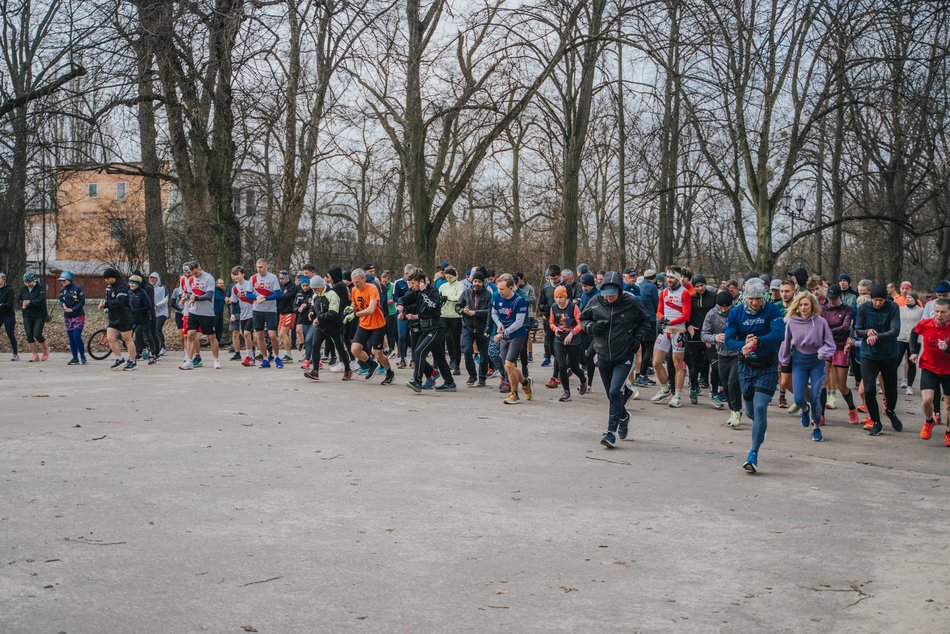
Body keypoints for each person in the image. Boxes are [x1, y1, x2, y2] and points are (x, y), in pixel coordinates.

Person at [581, 271, 653, 447]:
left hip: (624, 355)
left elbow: (646, 320)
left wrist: (638, 339)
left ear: (619, 291)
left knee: (614, 393)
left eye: (612, 295)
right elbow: (583, 319)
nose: (608, 299)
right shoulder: (596, 302)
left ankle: (610, 434)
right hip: (604, 354)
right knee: (611, 394)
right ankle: (624, 415)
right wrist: (591, 327)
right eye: (606, 295)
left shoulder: (631, 303)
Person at [724, 278, 785, 474]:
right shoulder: (736, 313)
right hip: (746, 366)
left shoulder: (772, 310)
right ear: (745, 297)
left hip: (767, 365)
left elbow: (779, 334)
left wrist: (758, 341)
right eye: (751, 299)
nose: (755, 303)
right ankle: (760, 429)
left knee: (760, 408)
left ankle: (753, 453)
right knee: (750, 412)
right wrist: (742, 345)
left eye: (758, 299)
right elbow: (728, 340)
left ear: (764, 297)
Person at [779, 291, 836, 442]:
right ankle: (805, 409)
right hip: (799, 362)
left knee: (816, 397)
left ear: (812, 306)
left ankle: (816, 427)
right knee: (798, 398)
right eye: (801, 305)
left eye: (806, 304)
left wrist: (823, 351)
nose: (803, 307)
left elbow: (830, 343)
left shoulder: (820, 322)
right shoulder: (792, 322)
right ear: (797, 307)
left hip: (817, 362)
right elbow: (786, 341)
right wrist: (784, 359)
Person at [855, 284, 903, 436]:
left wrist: (878, 336)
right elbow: (858, 330)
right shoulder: (864, 308)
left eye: (880, 300)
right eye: (875, 300)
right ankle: (876, 421)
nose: (877, 303)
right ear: (871, 299)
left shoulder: (893, 307)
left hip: (888, 354)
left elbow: (895, 331)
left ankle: (890, 411)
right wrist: (867, 332)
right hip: (868, 354)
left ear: (885, 299)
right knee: (869, 389)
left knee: (890, 390)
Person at [401, 270, 455, 392]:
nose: (412, 286)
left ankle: (417, 381)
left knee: (419, 352)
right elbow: (404, 299)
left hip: (436, 328)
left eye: (414, 283)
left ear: (421, 282)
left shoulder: (432, 292)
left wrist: (424, 291)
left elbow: (433, 306)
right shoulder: (416, 293)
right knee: (438, 357)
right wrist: (401, 307)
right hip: (425, 329)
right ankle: (449, 382)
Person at [651, 266, 692, 407]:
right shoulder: (663, 293)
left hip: (678, 332)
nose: (668, 280)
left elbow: (686, 315)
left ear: (678, 278)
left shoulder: (684, 293)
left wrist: (670, 322)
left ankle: (678, 395)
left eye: (671, 278)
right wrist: (662, 318)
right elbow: (659, 311)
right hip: (665, 331)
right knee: (656, 362)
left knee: (677, 364)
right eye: (667, 277)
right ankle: (665, 389)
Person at [910, 298, 950, 444]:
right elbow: (913, 334)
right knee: (927, 400)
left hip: (948, 370)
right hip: (929, 366)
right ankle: (929, 421)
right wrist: (914, 351)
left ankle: (948, 432)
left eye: (943, 312)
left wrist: (947, 348)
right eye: (936, 311)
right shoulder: (925, 324)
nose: (939, 315)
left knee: (948, 405)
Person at [348, 268, 395, 384]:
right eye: (354, 282)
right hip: (364, 324)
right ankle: (372, 365)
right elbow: (355, 304)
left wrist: (355, 314)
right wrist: (350, 308)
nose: (356, 284)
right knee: (355, 349)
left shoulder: (372, 288)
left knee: (377, 353)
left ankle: (389, 372)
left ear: (364, 279)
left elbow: (371, 309)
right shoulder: (354, 290)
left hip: (377, 325)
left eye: (358, 282)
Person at [702, 291, 742, 427]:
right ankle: (732, 409)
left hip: (737, 353)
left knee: (733, 382)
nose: (724, 310)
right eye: (721, 307)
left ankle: (737, 411)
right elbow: (704, 334)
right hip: (721, 354)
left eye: (727, 307)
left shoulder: (737, 312)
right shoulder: (711, 314)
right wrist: (715, 337)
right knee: (725, 385)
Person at [492, 273, 532, 405]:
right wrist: (499, 324)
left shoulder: (519, 301)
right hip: (504, 334)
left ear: (510, 288)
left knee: (509, 365)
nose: (499, 291)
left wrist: (503, 334)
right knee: (509, 367)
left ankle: (514, 394)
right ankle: (525, 383)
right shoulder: (497, 297)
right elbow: (494, 312)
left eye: (502, 288)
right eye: (498, 288)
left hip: (517, 335)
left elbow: (519, 323)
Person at [304, 276, 352, 381]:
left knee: (339, 347)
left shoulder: (332, 294)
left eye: (315, 288)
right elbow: (313, 305)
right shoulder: (316, 294)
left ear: (321, 286)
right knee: (315, 345)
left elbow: (333, 312)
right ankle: (315, 371)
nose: (313, 290)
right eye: (313, 289)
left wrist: (319, 318)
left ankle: (348, 370)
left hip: (334, 326)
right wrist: (311, 312)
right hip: (321, 326)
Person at [822, 287, 859, 424]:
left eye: (834, 298)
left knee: (841, 386)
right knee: (823, 383)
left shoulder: (847, 309)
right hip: (825, 347)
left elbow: (845, 327)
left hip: (841, 347)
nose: (831, 301)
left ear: (840, 297)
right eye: (829, 298)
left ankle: (851, 408)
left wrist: (826, 331)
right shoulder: (823, 309)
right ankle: (821, 415)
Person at [179, 262, 221, 370]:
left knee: (211, 336)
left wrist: (196, 298)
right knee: (190, 335)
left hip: (206, 312)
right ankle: (189, 361)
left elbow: (209, 295)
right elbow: (188, 293)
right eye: (192, 273)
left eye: (196, 273)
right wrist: (187, 297)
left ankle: (216, 360)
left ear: (199, 268)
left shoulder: (209, 278)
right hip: (194, 311)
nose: (194, 275)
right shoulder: (191, 279)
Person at [549, 285, 587, 401]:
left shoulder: (573, 307)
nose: (558, 300)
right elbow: (551, 322)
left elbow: (580, 324)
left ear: (565, 297)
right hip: (560, 338)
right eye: (556, 297)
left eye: (561, 297)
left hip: (573, 339)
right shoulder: (554, 307)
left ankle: (583, 379)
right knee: (561, 366)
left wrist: (572, 333)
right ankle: (566, 392)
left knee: (574, 367)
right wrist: (556, 329)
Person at [457, 270, 492, 387]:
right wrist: (463, 311)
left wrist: (475, 313)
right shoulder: (466, 293)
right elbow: (457, 306)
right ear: (472, 281)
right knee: (467, 351)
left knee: (483, 356)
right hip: (468, 327)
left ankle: (482, 378)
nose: (477, 283)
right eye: (475, 281)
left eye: (479, 282)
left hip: (482, 328)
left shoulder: (488, 295)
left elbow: (490, 311)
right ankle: (472, 376)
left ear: (483, 283)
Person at [98, 268, 137, 370]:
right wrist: (104, 304)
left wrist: (106, 304)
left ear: (114, 277)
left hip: (124, 317)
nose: (106, 280)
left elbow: (119, 302)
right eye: (105, 279)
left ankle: (132, 361)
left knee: (127, 339)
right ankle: (119, 359)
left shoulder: (122, 287)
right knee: (110, 338)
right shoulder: (108, 287)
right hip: (113, 317)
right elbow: (107, 299)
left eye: (108, 278)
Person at [246, 259, 283, 368]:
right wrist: (256, 297)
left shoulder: (272, 277)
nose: (259, 269)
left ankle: (276, 357)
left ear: (266, 267)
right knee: (259, 336)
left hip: (270, 310)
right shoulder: (253, 278)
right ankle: (265, 359)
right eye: (257, 267)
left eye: (261, 267)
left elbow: (278, 293)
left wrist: (266, 298)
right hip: (257, 310)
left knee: (272, 335)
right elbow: (248, 294)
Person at [686, 274, 717, 404]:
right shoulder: (690, 298)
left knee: (715, 366)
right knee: (695, 367)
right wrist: (688, 325)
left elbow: (717, 315)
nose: (700, 288)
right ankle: (693, 387)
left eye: (702, 285)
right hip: (695, 336)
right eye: (697, 286)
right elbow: (685, 314)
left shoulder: (713, 297)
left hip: (709, 336)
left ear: (705, 284)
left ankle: (715, 392)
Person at [636, 269, 660, 386]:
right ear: (654, 278)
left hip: (640, 319)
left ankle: (639, 374)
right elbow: (657, 303)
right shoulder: (652, 287)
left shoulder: (639, 285)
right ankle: (642, 375)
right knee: (649, 348)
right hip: (650, 319)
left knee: (642, 348)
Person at [228, 266, 256, 366]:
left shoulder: (250, 284)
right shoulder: (234, 288)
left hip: (253, 312)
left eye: (237, 274)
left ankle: (250, 357)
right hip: (243, 315)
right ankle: (252, 356)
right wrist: (231, 312)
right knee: (246, 335)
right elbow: (234, 301)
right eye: (234, 275)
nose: (235, 277)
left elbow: (257, 296)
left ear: (243, 274)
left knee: (247, 334)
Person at [129, 274, 159, 365]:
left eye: (134, 283)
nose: (131, 285)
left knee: (148, 336)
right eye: (130, 282)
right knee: (135, 334)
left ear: (138, 284)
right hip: (135, 319)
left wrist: (137, 310)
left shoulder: (142, 292)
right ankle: (137, 353)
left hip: (144, 318)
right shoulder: (131, 293)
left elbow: (148, 306)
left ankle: (153, 355)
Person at [18, 272, 48, 362]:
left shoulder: (40, 287)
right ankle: (35, 355)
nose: (27, 284)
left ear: (33, 280)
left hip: (39, 314)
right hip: (27, 315)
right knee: (29, 335)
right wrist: (22, 302)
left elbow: (41, 300)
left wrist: (29, 302)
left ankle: (46, 349)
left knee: (37, 334)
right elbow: (19, 299)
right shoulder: (23, 288)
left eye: (29, 282)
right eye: (26, 282)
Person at [58, 271, 87, 365]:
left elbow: (82, 301)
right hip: (67, 317)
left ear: (69, 279)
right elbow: (61, 300)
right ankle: (75, 358)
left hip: (78, 316)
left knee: (76, 336)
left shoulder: (77, 288)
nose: (62, 282)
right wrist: (63, 305)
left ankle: (82, 356)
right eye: (61, 280)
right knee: (71, 337)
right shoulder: (62, 290)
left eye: (64, 280)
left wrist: (73, 309)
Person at [440, 267, 465, 374]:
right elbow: (438, 296)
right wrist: (441, 298)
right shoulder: (443, 286)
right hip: (444, 315)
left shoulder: (460, 286)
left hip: (456, 316)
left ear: (455, 276)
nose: (448, 279)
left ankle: (457, 365)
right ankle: (447, 360)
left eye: (450, 277)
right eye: (446, 277)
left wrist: (446, 297)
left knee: (455, 340)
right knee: (444, 338)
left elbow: (458, 297)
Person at [898, 293, 924, 395]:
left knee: (911, 364)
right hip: (900, 338)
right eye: (907, 298)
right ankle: (887, 385)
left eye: (910, 298)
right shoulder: (901, 309)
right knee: (895, 361)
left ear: (916, 299)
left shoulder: (921, 311)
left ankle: (909, 386)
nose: (908, 299)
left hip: (914, 341)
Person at [537, 265, 561, 369]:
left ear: (559, 276)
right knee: (551, 346)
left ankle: (560, 369)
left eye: (556, 278)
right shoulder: (546, 288)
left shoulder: (565, 287)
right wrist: (546, 310)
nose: (554, 281)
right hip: (549, 321)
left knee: (559, 347)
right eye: (551, 279)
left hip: (562, 321)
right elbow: (540, 304)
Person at [276, 270, 299, 362]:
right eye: (279, 279)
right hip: (282, 313)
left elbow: (285, 296)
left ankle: (289, 355)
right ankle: (287, 353)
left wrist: (275, 296)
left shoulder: (292, 287)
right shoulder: (281, 287)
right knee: (282, 334)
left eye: (282, 278)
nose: (280, 280)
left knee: (283, 333)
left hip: (289, 312)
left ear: (287, 278)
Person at [393, 264, 413, 368]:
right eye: (405, 273)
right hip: (401, 311)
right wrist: (402, 301)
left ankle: (413, 359)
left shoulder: (415, 283)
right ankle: (402, 359)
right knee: (402, 335)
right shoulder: (398, 282)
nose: (407, 276)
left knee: (413, 334)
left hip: (413, 311)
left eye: (409, 274)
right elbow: (394, 297)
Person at [295, 277, 314, 369]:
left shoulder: (313, 293)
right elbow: (294, 306)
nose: (305, 287)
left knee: (308, 340)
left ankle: (308, 360)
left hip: (313, 321)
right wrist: (298, 309)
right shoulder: (298, 294)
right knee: (308, 341)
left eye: (307, 285)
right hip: (304, 320)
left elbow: (311, 303)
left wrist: (305, 305)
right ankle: (313, 359)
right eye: (304, 285)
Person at [149, 272, 168, 355]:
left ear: (157, 279)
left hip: (162, 312)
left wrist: (157, 305)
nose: (152, 280)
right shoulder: (148, 288)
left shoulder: (163, 288)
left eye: (154, 278)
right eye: (151, 278)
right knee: (152, 330)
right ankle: (155, 347)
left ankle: (162, 348)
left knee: (157, 329)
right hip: (152, 313)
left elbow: (166, 299)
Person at [0, 272, 18, 360]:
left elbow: (10, 304)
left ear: (3, 279)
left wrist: (1, 305)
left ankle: (15, 354)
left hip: (8, 316)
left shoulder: (9, 290)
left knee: (10, 334)